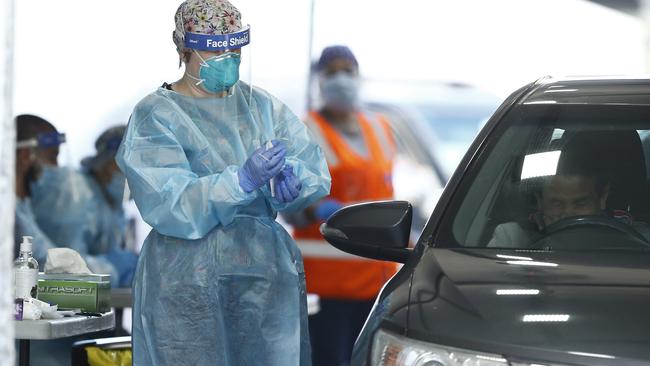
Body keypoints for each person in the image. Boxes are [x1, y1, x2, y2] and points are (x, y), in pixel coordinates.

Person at [115, 1, 331, 364]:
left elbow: (310, 165)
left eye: (235, 47)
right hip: (183, 279)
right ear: (183, 47)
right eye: (215, 49)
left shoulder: (260, 106)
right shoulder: (156, 115)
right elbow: (168, 201)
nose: (227, 56)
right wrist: (241, 181)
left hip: (263, 276)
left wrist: (291, 178)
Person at [284, 45, 398, 366]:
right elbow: (287, 204)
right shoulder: (305, 131)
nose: (342, 79)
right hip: (325, 284)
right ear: (319, 79)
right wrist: (313, 208)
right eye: (332, 71)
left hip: (375, 280)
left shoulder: (381, 128)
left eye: (348, 70)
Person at [79, 125, 137, 288]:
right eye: (124, 165)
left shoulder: (114, 205)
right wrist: (114, 268)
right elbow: (66, 269)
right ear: (103, 163)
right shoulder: (78, 197)